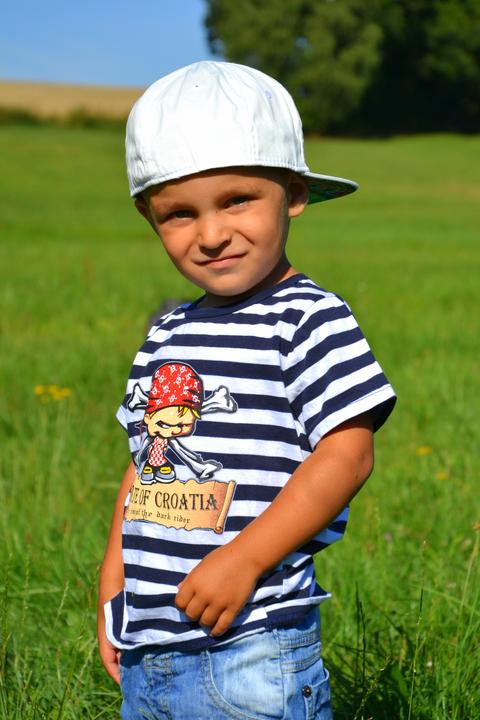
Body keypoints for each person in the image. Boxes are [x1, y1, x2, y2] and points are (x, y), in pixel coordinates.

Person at [97, 61, 396, 720]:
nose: (210, 235)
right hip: (149, 647)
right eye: (179, 214)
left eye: (237, 201)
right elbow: (144, 461)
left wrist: (244, 559)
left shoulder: (309, 318)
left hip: (251, 648)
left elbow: (348, 456)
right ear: (149, 217)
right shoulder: (169, 331)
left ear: (293, 194)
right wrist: (114, 582)